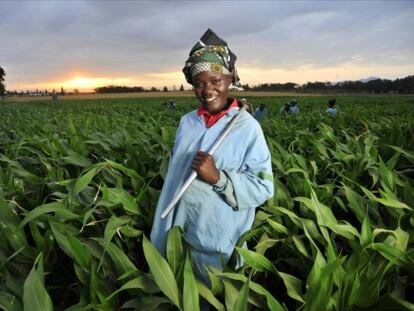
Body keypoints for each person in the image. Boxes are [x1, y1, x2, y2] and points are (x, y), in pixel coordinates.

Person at [150, 28, 274, 285]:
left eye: (216, 81)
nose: (207, 90)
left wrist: (218, 177)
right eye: (200, 83)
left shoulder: (247, 127)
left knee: (218, 296)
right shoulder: (187, 122)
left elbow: (263, 187)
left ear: (230, 80)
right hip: (180, 235)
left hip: (219, 241)